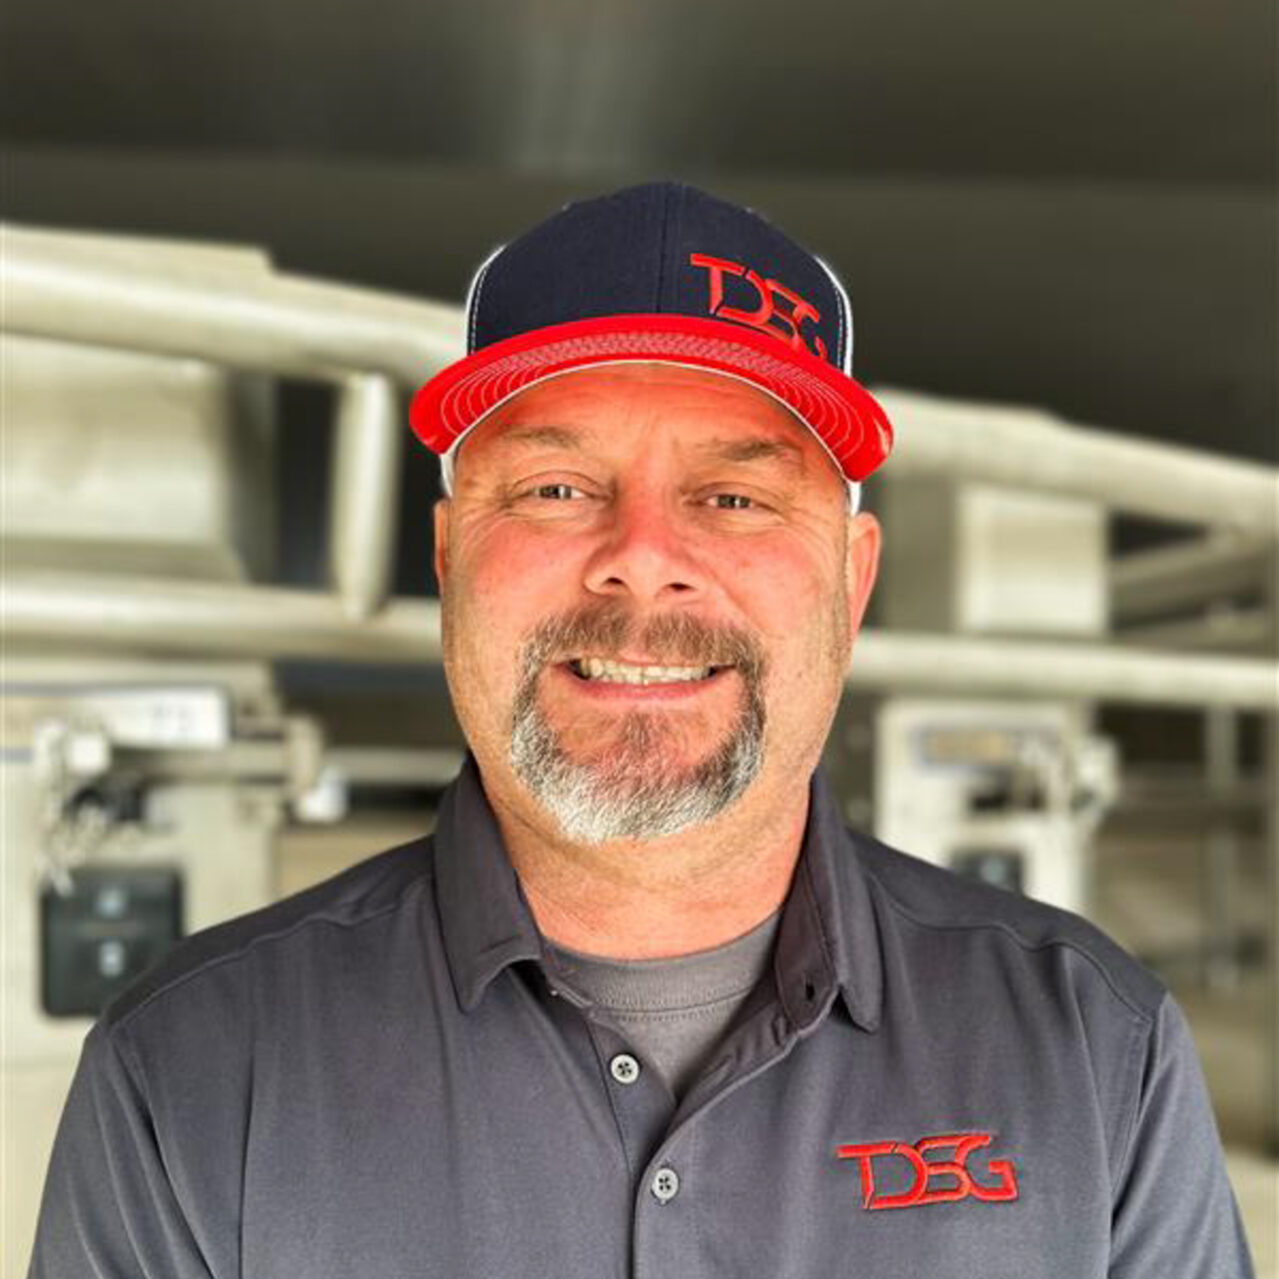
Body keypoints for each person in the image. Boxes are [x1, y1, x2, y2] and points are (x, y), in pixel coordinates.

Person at [30, 182, 1253, 1278]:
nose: (643, 560)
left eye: (733, 496)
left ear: (851, 579)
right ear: (450, 560)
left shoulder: (1094, 1053)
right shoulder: (192, 1071)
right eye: (557, 488)